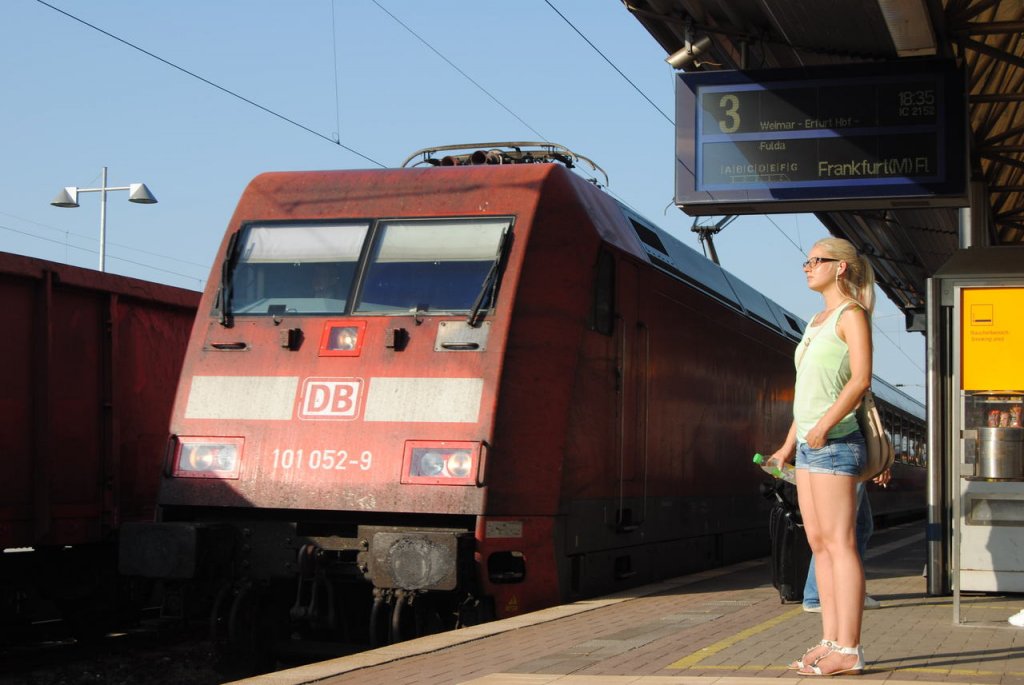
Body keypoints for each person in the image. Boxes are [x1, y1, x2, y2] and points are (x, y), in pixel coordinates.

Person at [766, 237, 874, 676]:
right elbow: (807, 394)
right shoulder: (815, 322)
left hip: (836, 444)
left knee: (841, 545)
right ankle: (830, 640)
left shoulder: (852, 315)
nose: (807, 267)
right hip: (811, 447)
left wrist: (826, 425)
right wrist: (788, 445)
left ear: (840, 267)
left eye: (816, 260)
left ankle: (850, 648)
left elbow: (861, 379)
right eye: (807, 261)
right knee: (820, 547)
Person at [802, 468, 891, 612]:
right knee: (840, 531)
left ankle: (820, 595)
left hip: (842, 463)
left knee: (862, 526)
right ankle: (823, 597)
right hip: (848, 462)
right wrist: (882, 466)